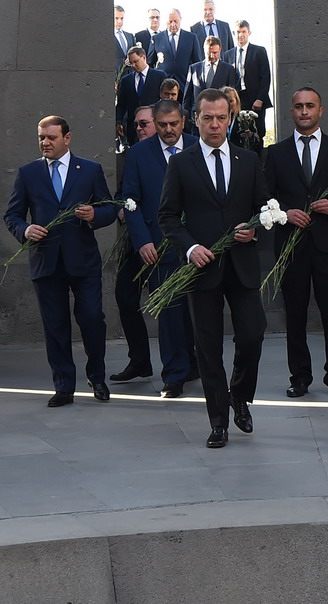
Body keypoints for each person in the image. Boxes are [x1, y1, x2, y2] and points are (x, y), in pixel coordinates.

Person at [158, 89, 269, 447]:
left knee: (252, 334)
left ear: (230, 119)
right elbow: (167, 216)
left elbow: (263, 207)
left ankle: (239, 395)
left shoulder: (248, 160)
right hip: (202, 268)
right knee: (208, 347)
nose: (215, 124)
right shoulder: (181, 164)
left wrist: (254, 229)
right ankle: (218, 421)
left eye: (222, 117)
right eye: (208, 118)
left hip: (242, 264)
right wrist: (190, 248)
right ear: (196, 120)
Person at [4, 116, 116, 407]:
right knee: (55, 326)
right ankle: (64, 386)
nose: (45, 142)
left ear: (67, 138)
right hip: (46, 261)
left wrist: (95, 214)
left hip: (83, 261)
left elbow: (108, 209)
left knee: (92, 319)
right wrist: (25, 230)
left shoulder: (89, 170)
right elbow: (12, 215)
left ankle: (97, 376)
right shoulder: (28, 173)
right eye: (41, 137)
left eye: (51, 137)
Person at [264, 87, 328, 398]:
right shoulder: (276, 153)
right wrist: (284, 213)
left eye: (310, 106)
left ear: (321, 111)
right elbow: (264, 196)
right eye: (299, 106)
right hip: (291, 246)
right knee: (295, 314)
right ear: (291, 111)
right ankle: (299, 377)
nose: (304, 111)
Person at [121, 100, 197, 397]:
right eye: (162, 125)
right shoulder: (139, 154)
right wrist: (142, 240)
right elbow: (131, 201)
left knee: (197, 312)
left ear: (183, 121)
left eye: (173, 124)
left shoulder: (199, 146)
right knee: (169, 312)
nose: (168, 130)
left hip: (198, 244)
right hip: (158, 246)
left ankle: (194, 364)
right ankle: (174, 375)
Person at [110, 106, 156, 384]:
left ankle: (188, 361)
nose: (138, 128)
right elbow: (123, 193)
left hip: (164, 242)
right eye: (136, 124)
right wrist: (120, 208)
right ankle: (139, 359)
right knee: (125, 296)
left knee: (173, 304)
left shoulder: (177, 154)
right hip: (134, 242)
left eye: (144, 124)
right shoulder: (134, 155)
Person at [223, 20, 271, 142]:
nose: (241, 35)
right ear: (234, 33)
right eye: (238, 32)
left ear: (249, 32)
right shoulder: (227, 55)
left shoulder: (259, 51)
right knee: (236, 133)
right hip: (236, 99)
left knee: (257, 132)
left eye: (244, 31)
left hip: (255, 99)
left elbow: (265, 76)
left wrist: (260, 98)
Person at [116, 47, 166, 147]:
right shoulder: (126, 80)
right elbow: (121, 104)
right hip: (133, 129)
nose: (133, 66)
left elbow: (165, 101)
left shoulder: (159, 76)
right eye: (131, 63)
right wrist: (118, 121)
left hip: (154, 127)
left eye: (136, 62)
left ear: (144, 57)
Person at [183, 36, 237, 124]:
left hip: (218, 118)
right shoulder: (194, 68)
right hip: (197, 118)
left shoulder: (228, 69)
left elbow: (231, 96)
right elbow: (187, 96)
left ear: (220, 50)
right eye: (209, 53)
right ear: (204, 50)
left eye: (215, 53)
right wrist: (186, 117)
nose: (212, 56)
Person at [148, 9, 201, 99]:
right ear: (166, 22)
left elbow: (197, 63)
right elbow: (150, 63)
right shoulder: (156, 38)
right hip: (164, 87)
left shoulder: (191, 38)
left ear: (180, 19)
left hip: (185, 85)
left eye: (175, 21)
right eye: (170, 21)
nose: (173, 24)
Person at [221, 85, 260, 154]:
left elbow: (257, 142)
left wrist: (250, 136)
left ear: (236, 101)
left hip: (241, 155)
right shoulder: (216, 120)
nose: (228, 104)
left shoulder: (245, 118)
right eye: (225, 101)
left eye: (231, 101)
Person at [114, 5, 135, 73]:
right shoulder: (107, 37)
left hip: (130, 74)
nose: (119, 21)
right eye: (116, 18)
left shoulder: (130, 36)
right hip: (114, 75)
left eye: (122, 18)